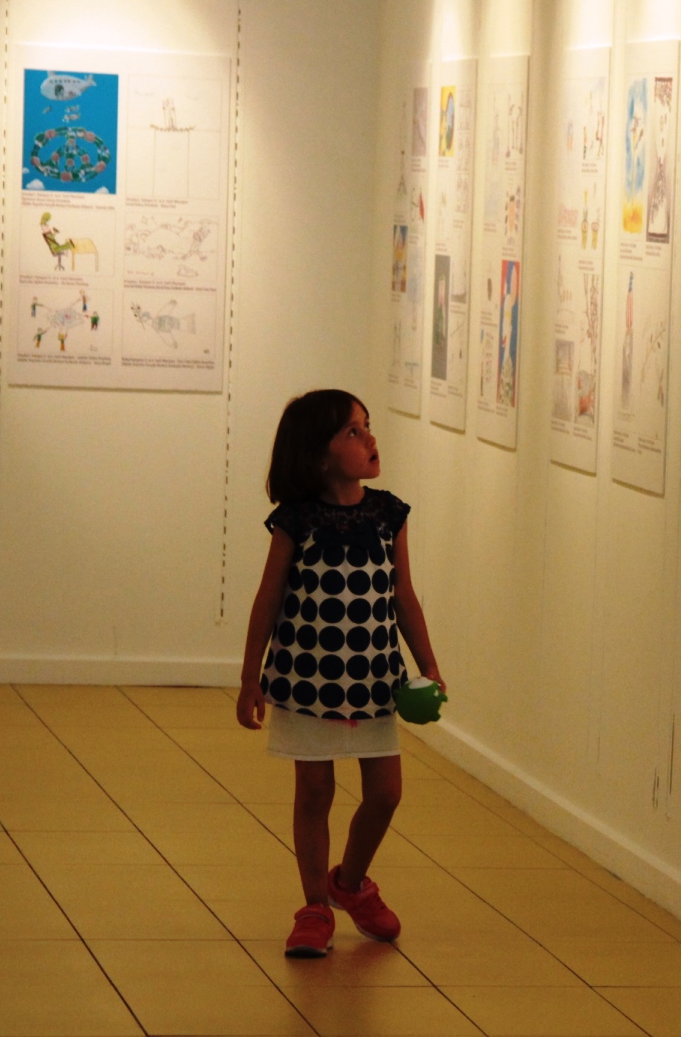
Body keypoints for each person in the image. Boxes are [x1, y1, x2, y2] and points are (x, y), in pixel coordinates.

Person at [237, 388, 443, 959]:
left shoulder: (388, 515)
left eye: (367, 426)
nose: (370, 438)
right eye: (353, 431)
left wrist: (428, 664)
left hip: (376, 682)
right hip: (306, 681)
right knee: (314, 792)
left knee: (386, 794)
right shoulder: (296, 520)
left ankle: (349, 882)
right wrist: (250, 677)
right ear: (318, 455)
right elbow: (268, 600)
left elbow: (403, 597)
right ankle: (314, 907)